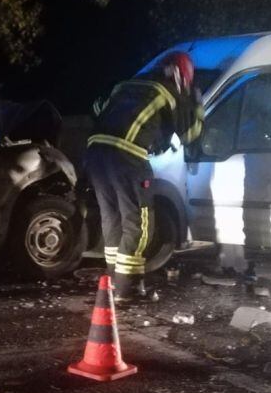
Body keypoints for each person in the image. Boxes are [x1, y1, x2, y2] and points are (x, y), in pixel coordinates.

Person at [86, 51, 204, 300]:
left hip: (95, 152)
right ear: (182, 77)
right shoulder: (170, 93)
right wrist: (197, 104)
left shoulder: (125, 86)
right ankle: (127, 289)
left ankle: (114, 284)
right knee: (138, 223)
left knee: (112, 219)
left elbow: (97, 106)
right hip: (127, 157)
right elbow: (190, 134)